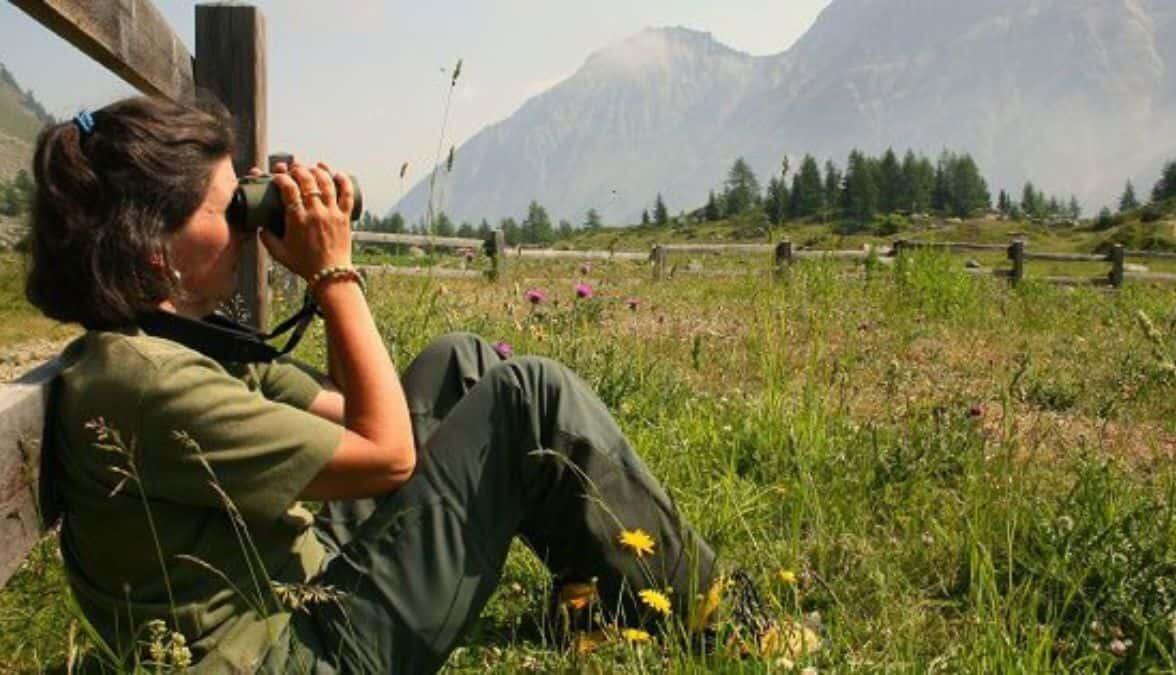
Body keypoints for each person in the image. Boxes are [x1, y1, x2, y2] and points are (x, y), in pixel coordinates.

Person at [26, 95, 731, 673]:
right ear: (155, 250)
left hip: (298, 586)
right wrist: (333, 274)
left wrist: (317, 267)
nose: (248, 228)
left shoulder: (170, 343)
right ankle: (726, 619)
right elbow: (388, 454)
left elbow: (352, 411)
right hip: (298, 654)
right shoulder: (145, 380)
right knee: (529, 396)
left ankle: (603, 594)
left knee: (461, 362)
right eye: (230, 210)